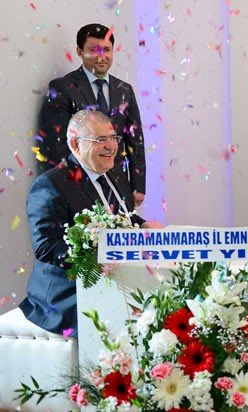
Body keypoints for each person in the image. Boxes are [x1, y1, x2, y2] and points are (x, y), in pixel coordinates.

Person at [20, 110, 162, 337]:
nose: (111, 146)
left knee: (161, 304)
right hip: (67, 292)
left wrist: (142, 224)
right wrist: (95, 257)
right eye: (100, 140)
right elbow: (47, 247)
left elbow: (121, 217)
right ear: (76, 144)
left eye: (113, 138)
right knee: (124, 322)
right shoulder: (50, 185)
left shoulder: (115, 174)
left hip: (117, 279)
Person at [36, 23, 146, 207]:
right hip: (79, 186)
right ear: (79, 52)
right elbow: (56, 145)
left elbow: (135, 141)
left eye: (107, 50)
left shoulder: (124, 89)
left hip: (118, 186)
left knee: (123, 226)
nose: (101, 57)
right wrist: (65, 187)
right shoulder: (63, 87)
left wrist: (138, 186)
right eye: (93, 50)